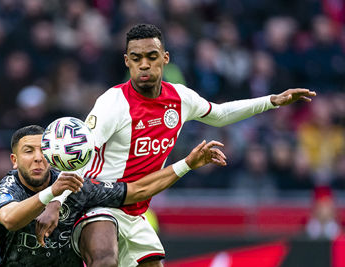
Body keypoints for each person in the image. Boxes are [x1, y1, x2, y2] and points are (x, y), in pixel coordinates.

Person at [43, 24, 316, 267]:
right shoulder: (112, 103)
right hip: (98, 201)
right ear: (127, 61)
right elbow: (79, 157)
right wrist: (55, 203)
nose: (145, 65)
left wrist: (272, 101)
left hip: (136, 211)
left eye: (152, 57)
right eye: (136, 59)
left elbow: (219, 114)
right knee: (105, 259)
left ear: (165, 58)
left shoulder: (180, 98)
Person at [0, 125, 226, 266]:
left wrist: (186, 164)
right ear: (14, 160)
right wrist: (52, 194)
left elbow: (136, 190)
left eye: (43, 150)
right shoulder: (8, 187)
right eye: (28, 151)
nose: (37, 157)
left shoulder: (74, 184)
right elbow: (10, 219)